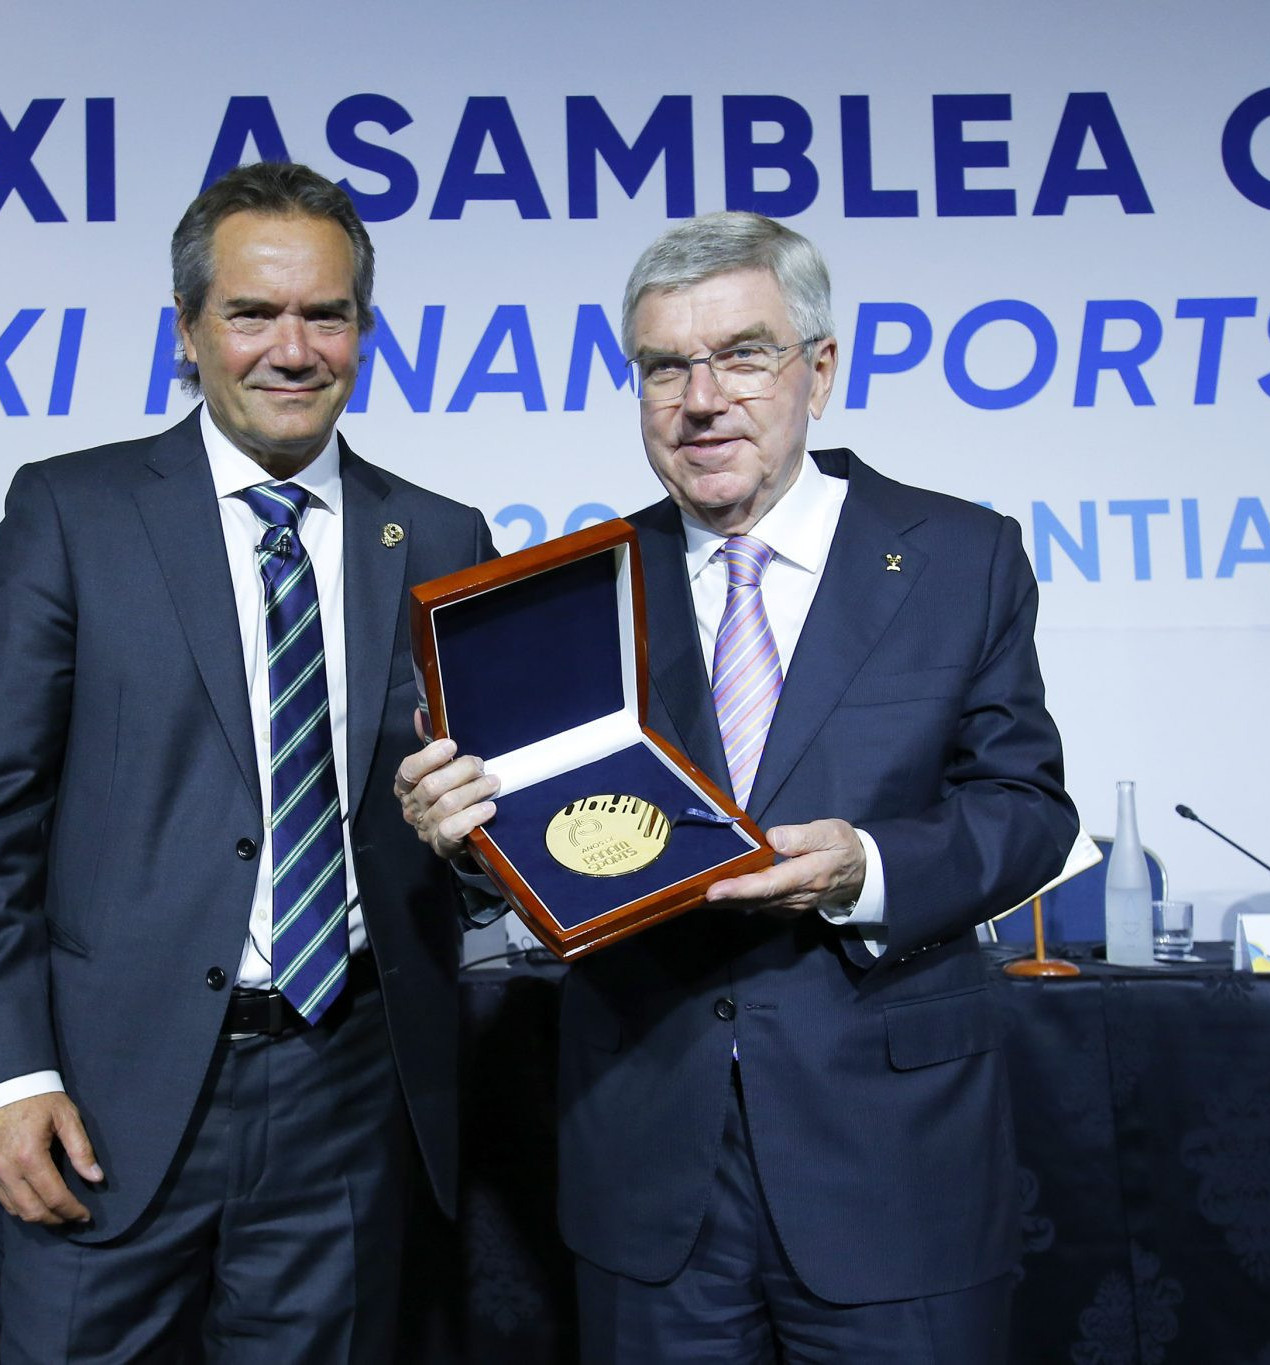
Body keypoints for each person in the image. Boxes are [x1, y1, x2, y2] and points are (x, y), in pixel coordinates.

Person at [397, 212, 1078, 1360]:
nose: (700, 400)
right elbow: (545, 838)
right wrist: (469, 838)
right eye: (664, 367)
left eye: (742, 356)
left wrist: (865, 868)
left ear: (819, 368)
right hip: (647, 1166)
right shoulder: (572, 591)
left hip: (890, 1164)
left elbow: (1024, 809)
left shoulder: (959, 556)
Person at [0, 160, 495, 1361]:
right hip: (101, 1098)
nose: (292, 349)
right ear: (186, 331)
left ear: (364, 330)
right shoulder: (72, 515)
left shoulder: (442, 537)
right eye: (252, 313)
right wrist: (4, 1080)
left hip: (349, 1092)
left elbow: (473, 838)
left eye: (325, 314)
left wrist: (477, 845)